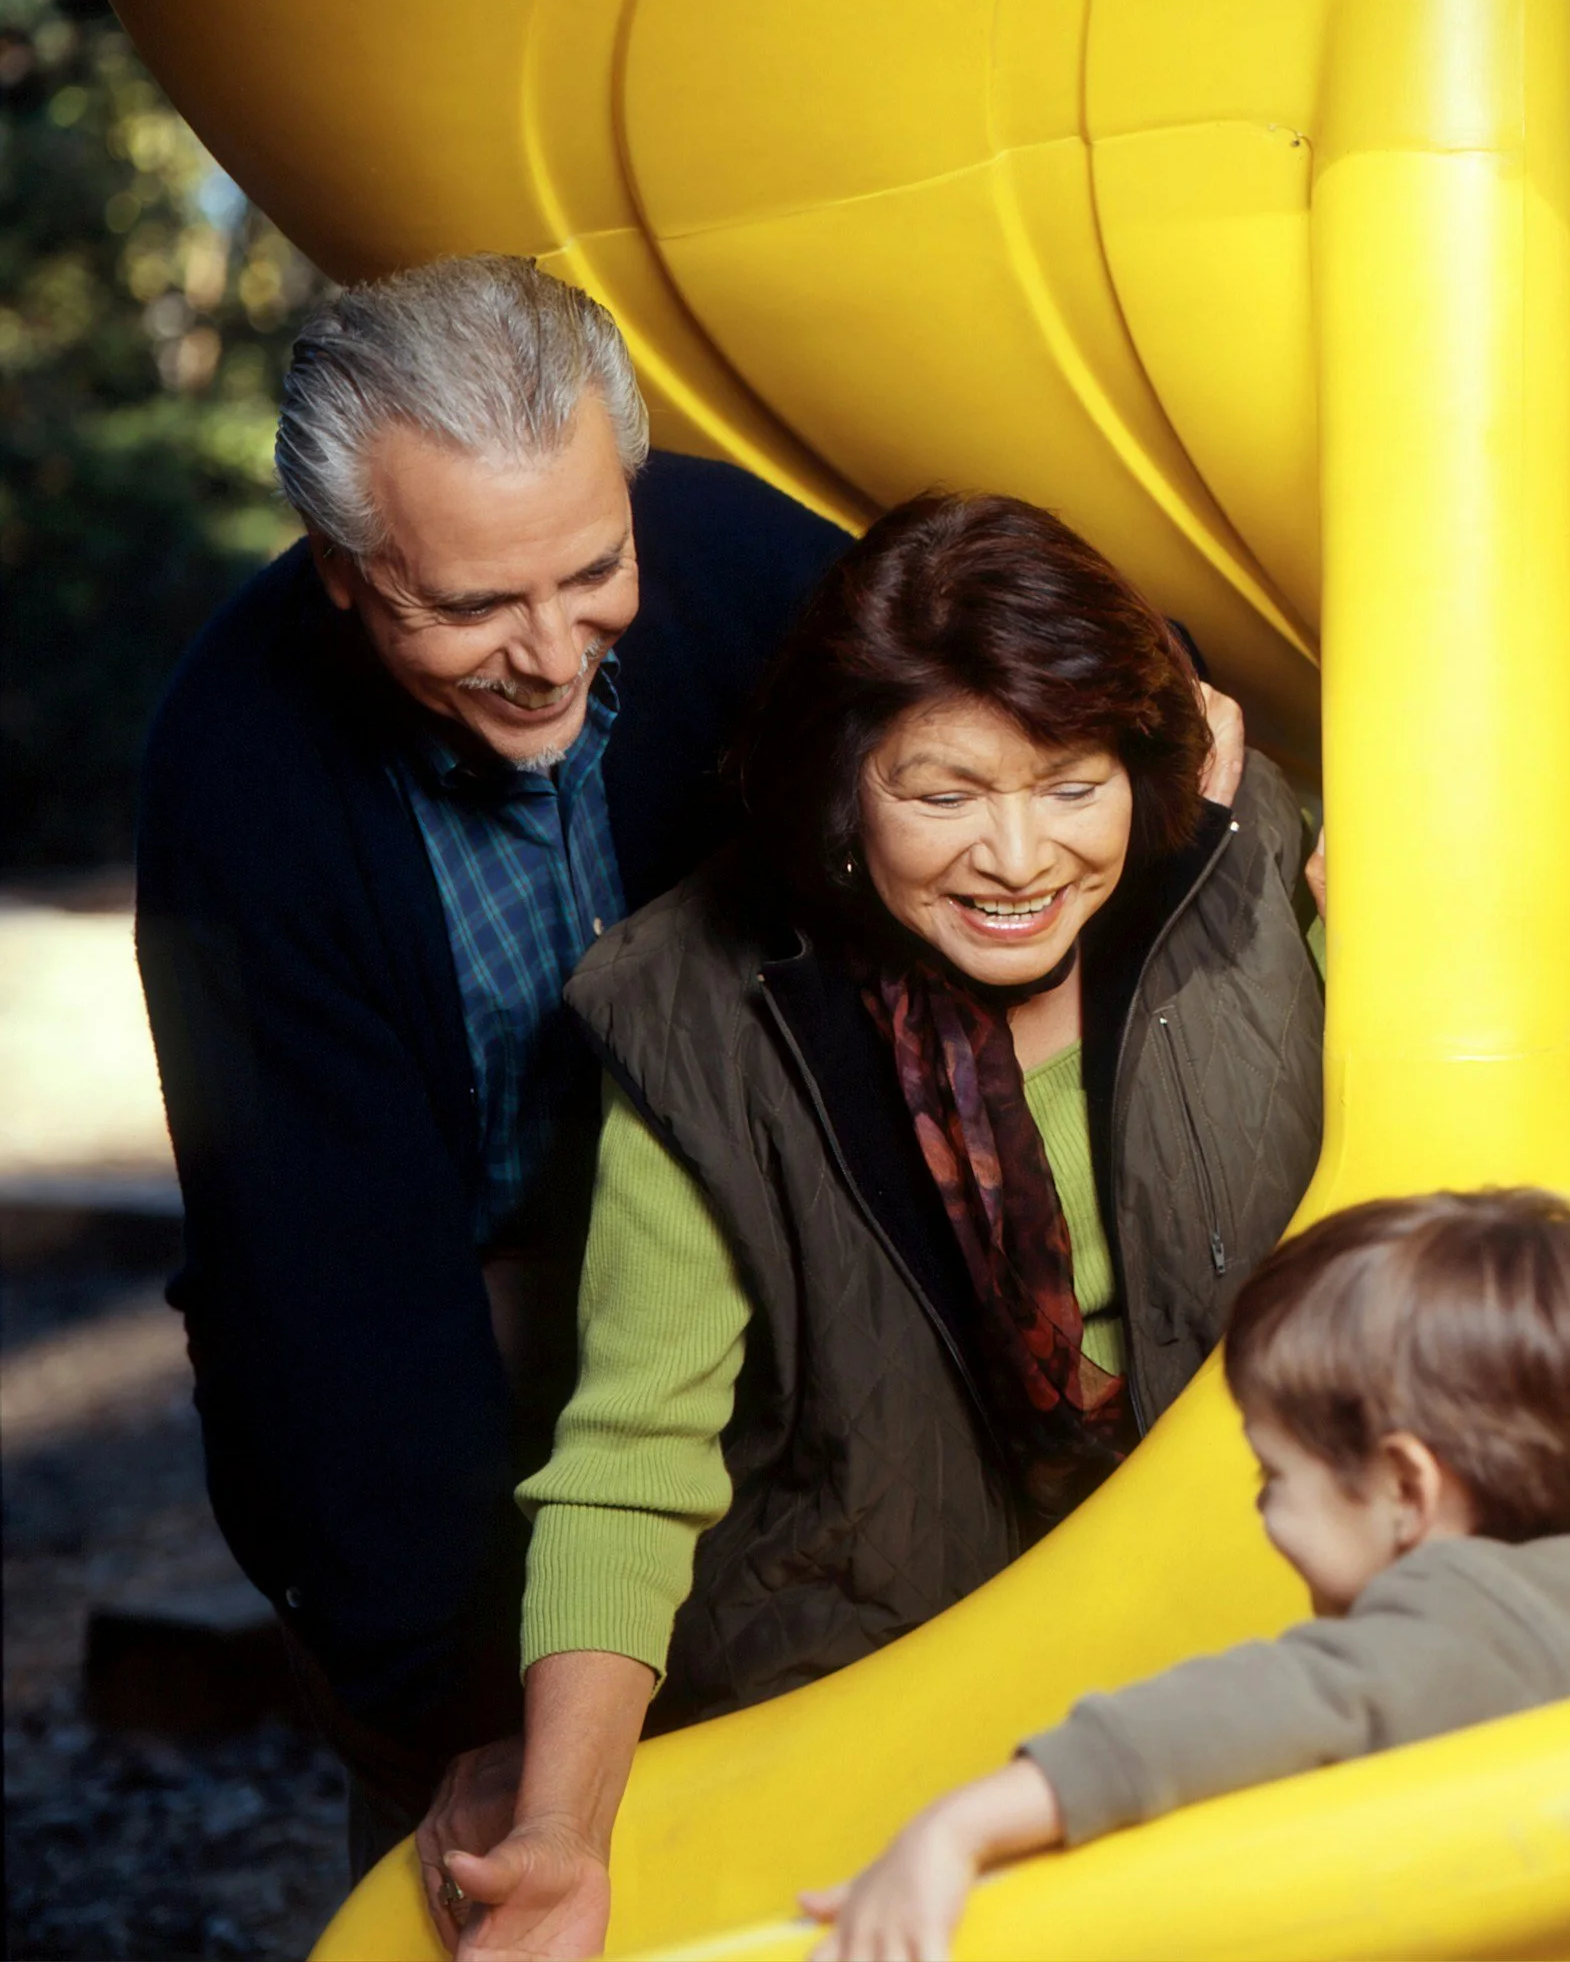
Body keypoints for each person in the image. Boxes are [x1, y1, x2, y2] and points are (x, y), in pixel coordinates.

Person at [433, 492, 1321, 1958]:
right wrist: (560, 1828)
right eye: (946, 793)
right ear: (843, 789)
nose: (1020, 858)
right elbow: (630, 1463)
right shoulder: (704, 1015)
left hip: (1228, 1601)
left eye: (1073, 782)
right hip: (865, 1641)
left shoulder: (1250, 887)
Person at [130, 252, 859, 1871]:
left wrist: (1197, 754)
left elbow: (1012, 691)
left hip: (756, 1328)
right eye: (471, 607)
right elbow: (328, 1315)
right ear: (342, 566)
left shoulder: (742, 562)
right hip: (460, 1353)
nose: (550, 651)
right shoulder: (239, 777)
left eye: (590, 572)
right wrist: (481, 1729)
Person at [801, 1187, 1570, 1962]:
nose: (1261, 1514)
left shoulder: (1469, 1615)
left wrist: (959, 1827)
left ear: (1406, 1487)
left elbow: (1249, 1708)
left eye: (1274, 1476)